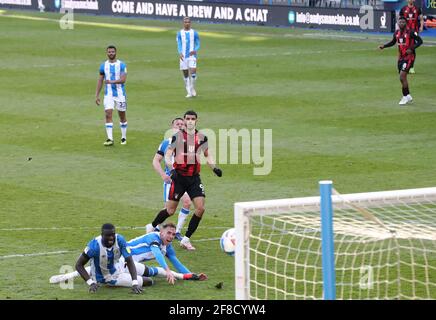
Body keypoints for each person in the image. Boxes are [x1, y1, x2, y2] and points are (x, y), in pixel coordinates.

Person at [146, 110, 222, 251]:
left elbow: (208, 154)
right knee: (170, 210)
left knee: (200, 208)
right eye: (188, 118)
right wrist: (172, 169)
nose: (190, 121)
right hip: (179, 178)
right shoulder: (177, 137)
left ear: (196, 120)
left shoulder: (202, 138)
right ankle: (151, 226)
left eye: (193, 118)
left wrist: (214, 168)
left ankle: (186, 239)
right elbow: (168, 156)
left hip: (194, 179)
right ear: (185, 121)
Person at [49, 223, 207, 285]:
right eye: (169, 233)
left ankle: (189, 277)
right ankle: (63, 278)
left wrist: (190, 275)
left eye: (173, 234)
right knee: (98, 271)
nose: (171, 237)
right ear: (161, 232)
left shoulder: (167, 246)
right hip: (121, 257)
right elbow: (156, 254)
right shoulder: (154, 238)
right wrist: (166, 270)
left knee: (151, 275)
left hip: (131, 263)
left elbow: (176, 262)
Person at [74, 223, 147, 294]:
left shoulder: (119, 240)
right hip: (109, 276)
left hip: (119, 264)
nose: (111, 237)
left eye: (113, 234)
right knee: (148, 281)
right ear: (102, 235)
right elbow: (79, 265)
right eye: (108, 235)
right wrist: (91, 283)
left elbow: (129, 260)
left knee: (147, 271)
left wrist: (135, 283)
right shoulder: (94, 246)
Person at [152, 117, 192, 241]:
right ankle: (154, 228)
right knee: (168, 210)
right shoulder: (166, 143)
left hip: (184, 179)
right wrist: (163, 175)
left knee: (187, 202)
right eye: (177, 124)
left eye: (182, 124)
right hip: (172, 180)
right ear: (172, 126)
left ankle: (177, 231)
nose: (180, 126)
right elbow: (156, 160)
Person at [379, 16, 423, 105]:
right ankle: (408, 96)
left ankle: (404, 97)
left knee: (402, 76)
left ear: (406, 23)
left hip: (409, 57)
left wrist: (412, 48)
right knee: (402, 78)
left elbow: (420, 41)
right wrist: (384, 46)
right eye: (400, 22)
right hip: (401, 58)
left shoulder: (411, 32)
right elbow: (393, 42)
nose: (401, 23)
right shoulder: (396, 33)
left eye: (403, 22)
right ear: (398, 23)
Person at [95, 45, 128, 146]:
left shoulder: (122, 65)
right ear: (107, 53)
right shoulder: (103, 66)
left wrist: (111, 81)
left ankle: (123, 137)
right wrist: (96, 95)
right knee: (108, 114)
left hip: (120, 95)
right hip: (108, 94)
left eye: (112, 52)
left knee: (122, 116)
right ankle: (110, 139)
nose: (111, 53)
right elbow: (100, 80)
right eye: (109, 52)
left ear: (116, 52)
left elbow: (123, 79)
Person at [177, 17, 200, 98]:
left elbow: (198, 43)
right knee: (186, 74)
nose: (187, 23)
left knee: (193, 73)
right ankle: (189, 92)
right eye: (185, 22)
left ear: (190, 23)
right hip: (183, 56)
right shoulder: (180, 33)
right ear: (183, 23)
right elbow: (179, 44)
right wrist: (180, 52)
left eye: (188, 22)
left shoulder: (194, 33)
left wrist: (195, 50)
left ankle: (192, 88)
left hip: (192, 56)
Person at [399, 0, 424, 74]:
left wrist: (421, 27)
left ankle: (411, 67)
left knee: (412, 48)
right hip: (405, 32)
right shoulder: (403, 9)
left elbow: (421, 19)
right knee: (403, 48)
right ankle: (404, 64)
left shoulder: (417, 9)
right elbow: (399, 20)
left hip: (414, 31)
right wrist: (399, 29)